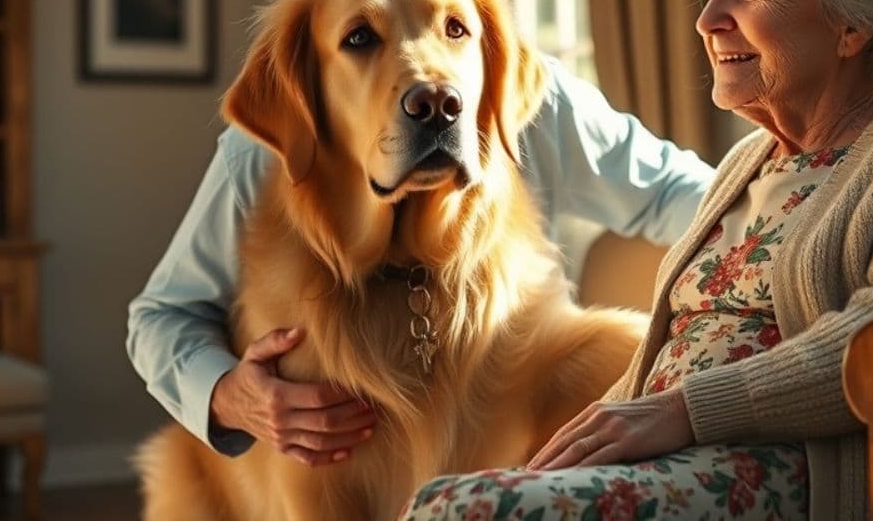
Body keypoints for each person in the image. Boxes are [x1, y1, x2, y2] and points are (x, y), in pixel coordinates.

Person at [400, 0, 873, 521]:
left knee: (471, 511)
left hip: (783, 473)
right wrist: (588, 440)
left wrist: (687, 410)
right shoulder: (747, 163)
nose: (708, 17)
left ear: (852, 23)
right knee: (441, 499)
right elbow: (666, 362)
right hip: (667, 464)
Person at [126, 56, 715, 466]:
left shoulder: (528, 99)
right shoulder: (268, 154)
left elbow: (682, 193)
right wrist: (232, 394)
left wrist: (796, 224)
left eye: (454, 30)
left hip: (516, 446)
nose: (431, 95)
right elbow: (162, 317)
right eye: (361, 41)